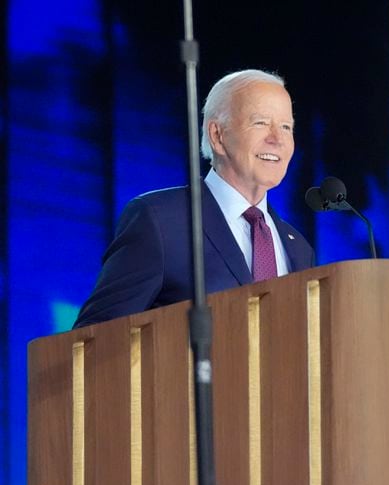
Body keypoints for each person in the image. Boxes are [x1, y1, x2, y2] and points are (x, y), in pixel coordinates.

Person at [74, 69, 314, 328]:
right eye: (260, 123)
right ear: (217, 135)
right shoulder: (161, 222)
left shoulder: (299, 248)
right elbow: (95, 337)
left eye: (286, 127)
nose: (277, 139)